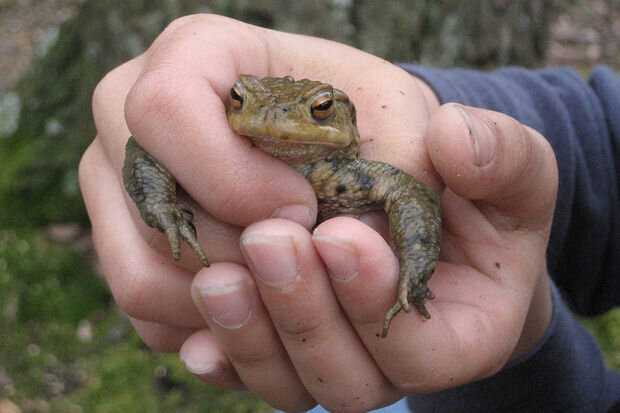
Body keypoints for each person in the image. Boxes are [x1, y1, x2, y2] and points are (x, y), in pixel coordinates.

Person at [78, 14, 619, 412]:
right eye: (243, 100)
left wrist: (417, 270)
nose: (273, 119)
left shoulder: (351, 169)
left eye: (315, 111)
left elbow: (410, 196)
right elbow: (147, 147)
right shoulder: (218, 146)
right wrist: (161, 208)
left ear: (340, 121)